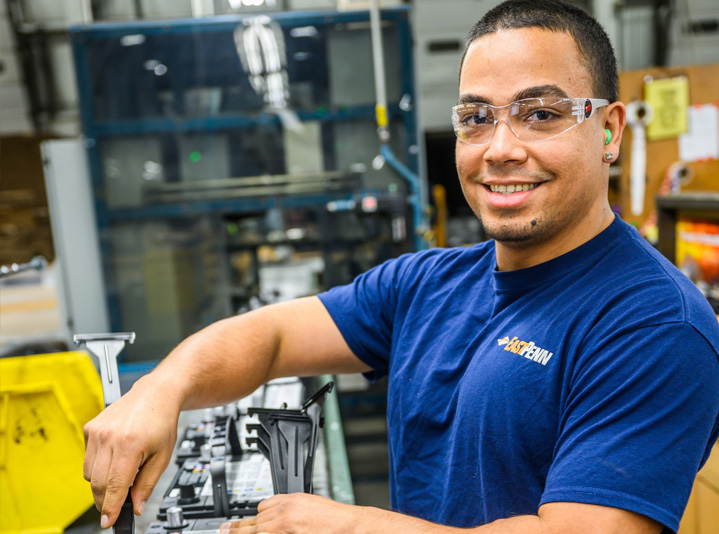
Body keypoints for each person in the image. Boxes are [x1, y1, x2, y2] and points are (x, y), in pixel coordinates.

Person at [82, 1, 719, 533]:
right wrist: (159, 392)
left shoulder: (655, 323)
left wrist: (351, 525)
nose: (500, 148)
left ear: (609, 130)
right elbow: (268, 337)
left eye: (541, 114)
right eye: (476, 119)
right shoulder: (426, 283)